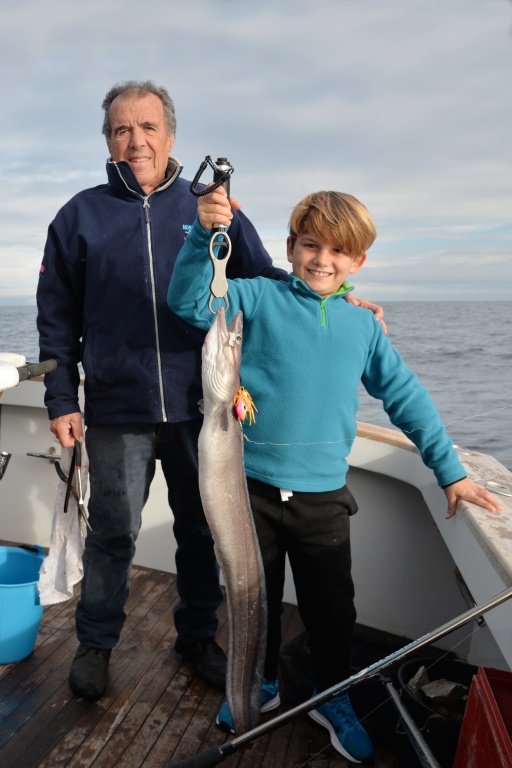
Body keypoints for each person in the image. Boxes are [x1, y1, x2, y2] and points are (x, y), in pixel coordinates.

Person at [36, 80, 384, 701]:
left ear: (170, 136)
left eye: (146, 127)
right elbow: (56, 316)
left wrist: (336, 295)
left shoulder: (214, 208)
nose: (134, 139)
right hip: (117, 405)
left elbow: (274, 281)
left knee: (202, 529)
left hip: (206, 404)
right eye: (121, 129)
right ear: (108, 142)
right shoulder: (77, 217)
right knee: (113, 529)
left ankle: (197, 636)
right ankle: (96, 642)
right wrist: (62, 398)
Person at [167, 187, 502, 763]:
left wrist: (450, 471)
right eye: (311, 246)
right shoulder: (257, 297)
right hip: (250, 492)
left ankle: (331, 694)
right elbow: (192, 302)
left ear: (358, 262)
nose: (323, 260)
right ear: (290, 247)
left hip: (323, 499)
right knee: (257, 600)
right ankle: (261, 685)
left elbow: (405, 397)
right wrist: (203, 235)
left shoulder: (362, 326)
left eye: (338, 252)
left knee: (332, 611)